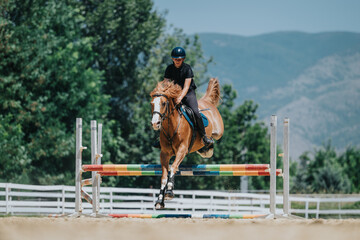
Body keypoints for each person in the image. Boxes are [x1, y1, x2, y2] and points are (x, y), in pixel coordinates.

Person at [154, 47, 214, 148]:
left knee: (195, 112)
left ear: (183, 59)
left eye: (180, 59)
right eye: (175, 59)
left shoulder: (187, 69)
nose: (178, 61)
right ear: (172, 59)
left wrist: (180, 97)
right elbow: (166, 83)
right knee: (163, 111)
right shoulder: (169, 69)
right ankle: (161, 139)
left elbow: (186, 87)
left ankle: (204, 137)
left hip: (188, 94)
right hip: (173, 94)